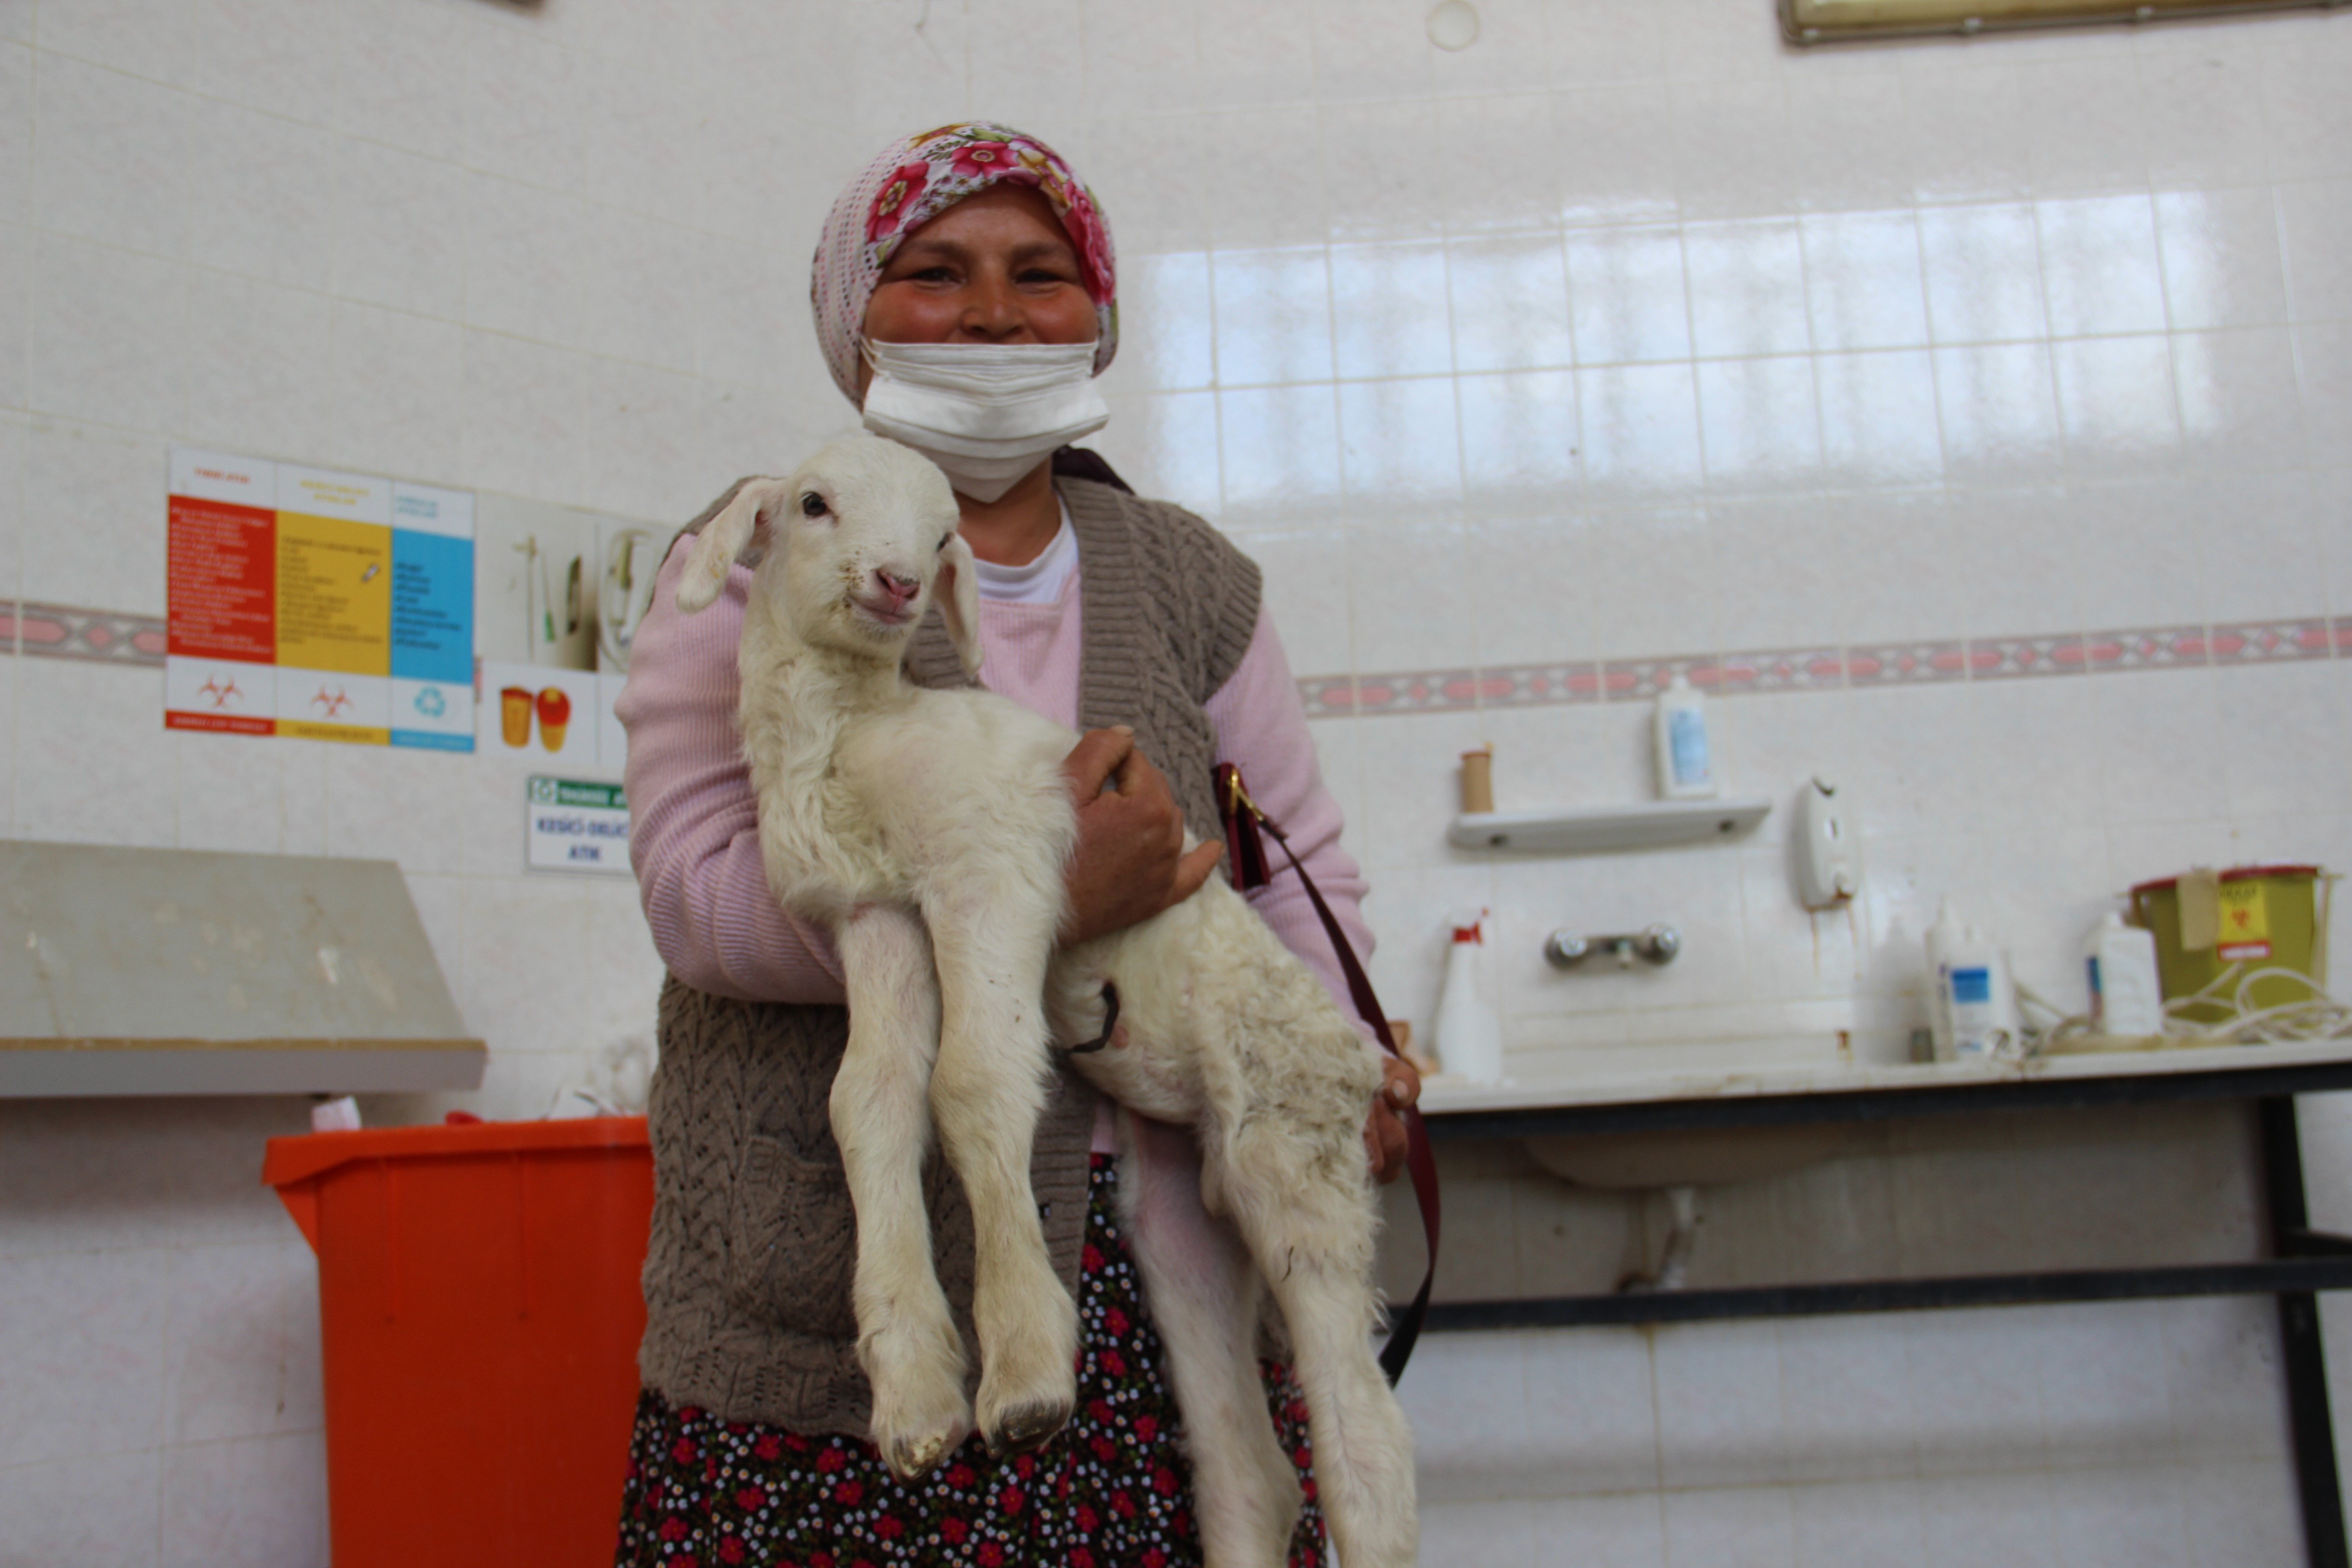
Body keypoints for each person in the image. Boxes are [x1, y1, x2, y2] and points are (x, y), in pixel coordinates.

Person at [612, 122, 1418, 1568]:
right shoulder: (755, 556)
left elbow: (1294, 860)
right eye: (934, 272)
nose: (992, 313)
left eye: (1041, 275)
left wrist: (1346, 1051)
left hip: (1155, 1276)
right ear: (851, 319)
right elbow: (691, 894)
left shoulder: (1193, 583)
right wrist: (1039, 898)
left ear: (1097, 317)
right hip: (829, 1312)